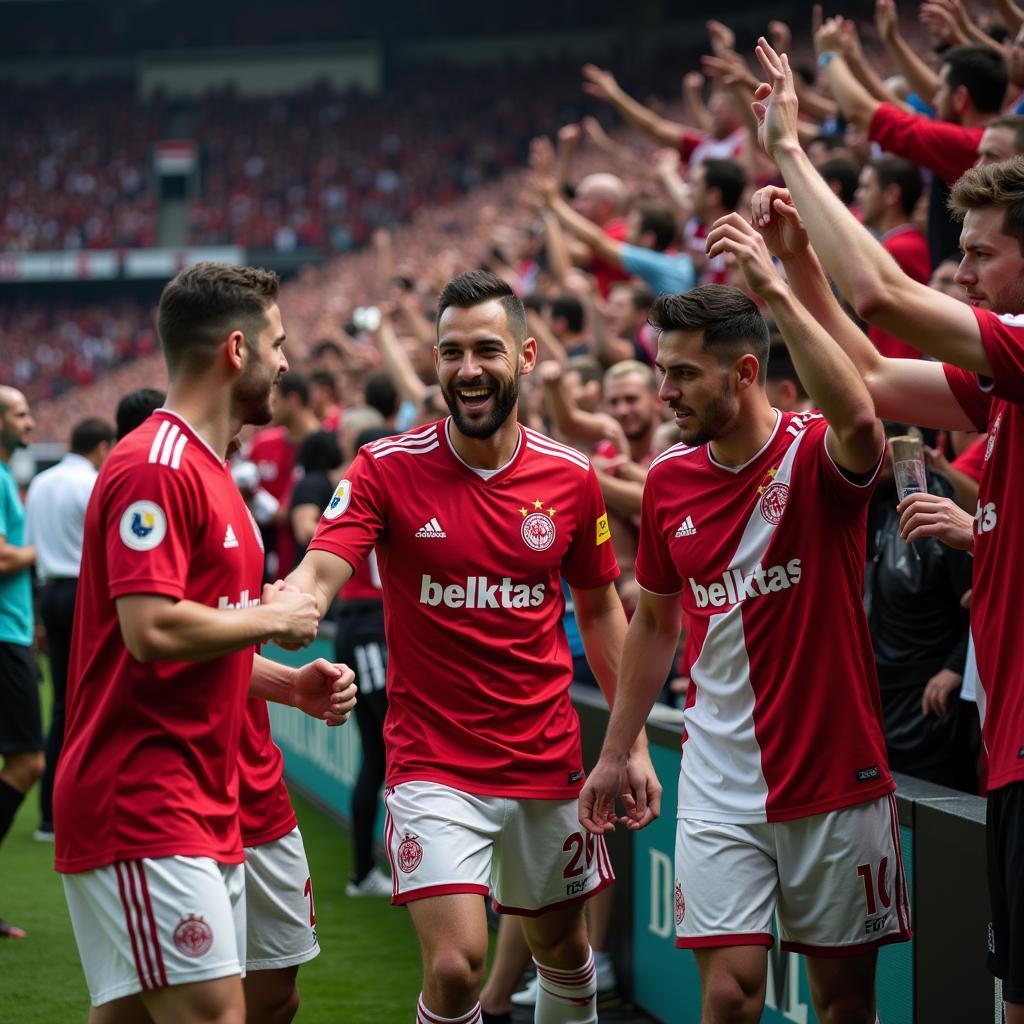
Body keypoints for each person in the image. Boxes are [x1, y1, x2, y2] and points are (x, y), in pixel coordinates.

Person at [288, 270, 658, 1024]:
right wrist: (296, 601)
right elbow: (321, 567)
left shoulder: (572, 476)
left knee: (562, 949)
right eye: (451, 353)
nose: (468, 370)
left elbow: (599, 611)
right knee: (457, 968)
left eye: (486, 350)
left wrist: (633, 744)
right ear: (433, 362)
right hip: (434, 763)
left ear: (524, 355)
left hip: (545, 759)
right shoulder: (384, 469)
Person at [747, 35, 1024, 1021]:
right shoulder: (1005, 386)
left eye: (984, 252)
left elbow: (887, 295)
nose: (966, 270)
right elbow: (868, 366)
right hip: (1010, 741)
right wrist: (792, 271)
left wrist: (788, 152)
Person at [580, 274, 910, 1024]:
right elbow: (657, 625)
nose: (667, 391)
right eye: (663, 370)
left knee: (843, 1005)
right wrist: (617, 747)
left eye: (684, 373)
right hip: (717, 778)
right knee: (727, 997)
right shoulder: (667, 480)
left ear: (747, 371)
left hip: (834, 775)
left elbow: (863, 418)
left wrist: (776, 288)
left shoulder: (815, 453)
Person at [53, 262, 356, 1024]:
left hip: (201, 790)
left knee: (155, 1012)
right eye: (276, 344)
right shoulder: (155, 468)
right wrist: (277, 620)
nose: (287, 362)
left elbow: (201, 634)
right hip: (141, 792)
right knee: (218, 1013)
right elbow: (150, 630)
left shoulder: (211, 470)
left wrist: (287, 685)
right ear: (235, 349)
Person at [24, 416, 115, 842]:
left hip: (48, 593)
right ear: (100, 446)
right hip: (85, 594)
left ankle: (49, 815)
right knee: (93, 699)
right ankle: (85, 810)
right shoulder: (91, 483)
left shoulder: (41, 483)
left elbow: (29, 544)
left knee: (61, 704)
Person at [0, 386, 42, 940]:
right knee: (28, 761)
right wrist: (46, 552)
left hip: (12, 633)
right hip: (4, 636)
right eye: (20, 414)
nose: (31, 423)